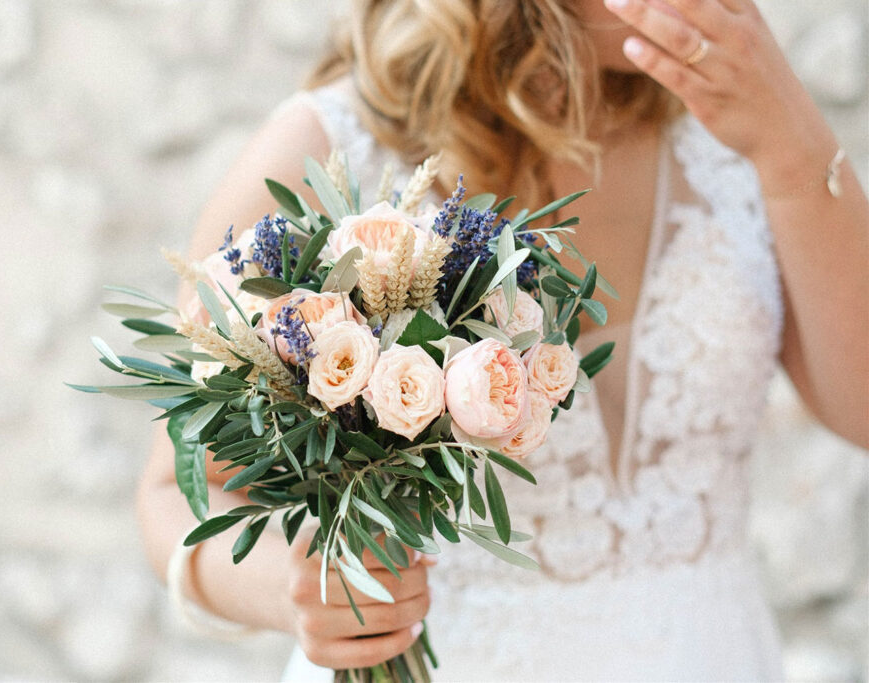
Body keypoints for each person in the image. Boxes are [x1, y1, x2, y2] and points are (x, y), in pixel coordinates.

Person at [137, 0, 868, 679]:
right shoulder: (332, 149)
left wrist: (793, 148)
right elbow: (173, 492)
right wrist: (295, 592)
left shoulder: (741, 129)